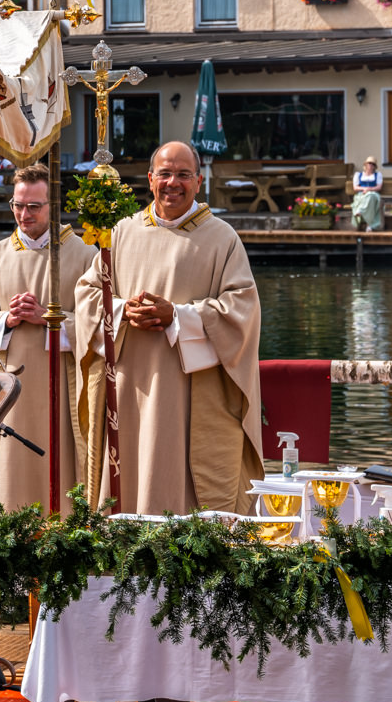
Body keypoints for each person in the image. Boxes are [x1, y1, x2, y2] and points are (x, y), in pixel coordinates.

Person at [73, 141, 263, 514]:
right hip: (128, 387)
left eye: (183, 175)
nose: (172, 183)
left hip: (188, 393)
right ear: (150, 179)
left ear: (199, 181)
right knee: (125, 482)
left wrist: (176, 316)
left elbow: (242, 310)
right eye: (164, 173)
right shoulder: (121, 231)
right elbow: (88, 295)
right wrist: (121, 310)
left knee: (182, 490)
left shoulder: (221, 237)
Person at [0, 164, 99, 511]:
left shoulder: (85, 256)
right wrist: (6, 320)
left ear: (54, 205)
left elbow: (99, 322)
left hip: (62, 388)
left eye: (34, 206)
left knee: (61, 470)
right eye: (18, 205)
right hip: (7, 391)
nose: (24, 214)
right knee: (10, 473)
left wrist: (49, 319)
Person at [350, 157, 385, 231]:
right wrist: (364, 189)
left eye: (373, 164)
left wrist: (369, 189)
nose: (371, 165)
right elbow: (355, 188)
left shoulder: (377, 175)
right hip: (361, 195)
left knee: (371, 197)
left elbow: (379, 187)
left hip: (374, 194)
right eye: (369, 163)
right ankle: (369, 226)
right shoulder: (358, 175)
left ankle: (361, 210)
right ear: (365, 165)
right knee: (369, 199)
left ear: (375, 167)